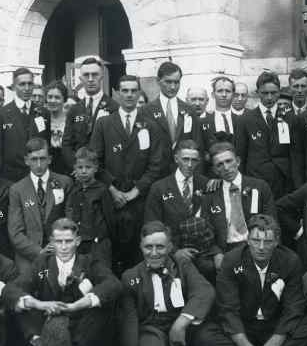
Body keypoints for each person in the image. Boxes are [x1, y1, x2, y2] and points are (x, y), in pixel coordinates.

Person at [194, 215, 307, 346]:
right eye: (256, 240)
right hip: (244, 327)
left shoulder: (290, 261)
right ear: (248, 240)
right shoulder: (231, 260)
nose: (261, 247)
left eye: (268, 241)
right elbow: (228, 311)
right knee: (204, 335)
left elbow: (293, 309)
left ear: (276, 242)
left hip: (274, 328)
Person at [13, 218, 121, 346]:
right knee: (20, 306)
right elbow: (14, 288)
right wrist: (40, 304)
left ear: (77, 241)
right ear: (51, 242)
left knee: (103, 305)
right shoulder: (42, 263)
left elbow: (113, 284)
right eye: (59, 241)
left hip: (77, 325)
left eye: (68, 241)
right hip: (48, 322)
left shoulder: (89, 262)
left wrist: (76, 305)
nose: (63, 247)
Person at [119, 222, 214, 346]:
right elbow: (130, 319)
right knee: (149, 343)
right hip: (153, 329)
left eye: (160, 247)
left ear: (170, 247)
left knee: (207, 336)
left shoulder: (182, 266)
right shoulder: (130, 276)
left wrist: (181, 323)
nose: (154, 253)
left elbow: (204, 291)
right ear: (141, 247)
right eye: (148, 247)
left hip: (183, 329)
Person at [87, 75, 162, 271]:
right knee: (111, 252)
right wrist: (112, 189)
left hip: (139, 200)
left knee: (136, 252)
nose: (129, 95)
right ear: (117, 93)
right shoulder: (104, 124)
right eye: (125, 90)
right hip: (110, 199)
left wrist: (135, 192)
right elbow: (95, 161)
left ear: (139, 93)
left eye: (133, 91)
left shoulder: (150, 125)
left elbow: (156, 165)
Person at [203, 142, 274, 279]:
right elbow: (207, 230)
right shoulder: (211, 194)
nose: (226, 167)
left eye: (229, 161)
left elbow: (271, 221)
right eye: (220, 164)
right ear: (215, 170)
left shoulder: (259, 187)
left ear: (238, 161)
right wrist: (216, 252)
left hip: (255, 245)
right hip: (226, 249)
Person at [7, 138, 72, 266]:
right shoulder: (17, 190)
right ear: (26, 161)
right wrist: (39, 252)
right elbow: (15, 233)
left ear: (49, 159)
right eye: (34, 159)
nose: (38, 164)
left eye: (42, 159)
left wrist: (58, 245)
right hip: (29, 255)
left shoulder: (65, 183)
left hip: (61, 250)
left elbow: (71, 221)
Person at [235, 72, 295, 198]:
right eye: (265, 93)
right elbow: (240, 155)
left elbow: (294, 153)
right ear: (258, 92)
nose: (269, 97)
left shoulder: (290, 118)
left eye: (273, 93)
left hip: (282, 181)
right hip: (256, 180)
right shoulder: (245, 120)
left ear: (279, 92)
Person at [0, 67, 48, 182]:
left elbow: (46, 143)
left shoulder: (43, 113)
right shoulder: (1, 115)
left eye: (30, 84)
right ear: (13, 87)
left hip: (38, 174)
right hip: (11, 177)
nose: (27, 88)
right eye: (22, 84)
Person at [144, 139, 209, 239]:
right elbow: (152, 225)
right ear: (176, 159)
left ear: (199, 161)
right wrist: (174, 251)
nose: (190, 165)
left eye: (194, 160)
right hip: (171, 247)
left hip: (202, 245)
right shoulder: (159, 187)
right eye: (185, 159)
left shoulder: (205, 183)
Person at [65, 148, 115, 265]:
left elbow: (110, 219)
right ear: (74, 169)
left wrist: (103, 238)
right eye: (80, 167)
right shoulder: (74, 191)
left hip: (98, 244)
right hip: (78, 243)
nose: (83, 171)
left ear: (95, 168)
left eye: (88, 167)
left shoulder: (102, 190)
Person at [141, 62, 192, 165]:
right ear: (158, 81)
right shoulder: (146, 111)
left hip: (184, 169)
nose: (173, 87)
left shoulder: (189, 110)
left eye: (176, 82)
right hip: (157, 172)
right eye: (168, 82)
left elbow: (197, 144)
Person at [41, 82, 72, 175]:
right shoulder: (41, 119)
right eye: (50, 97)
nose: (53, 100)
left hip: (67, 168)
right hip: (45, 167)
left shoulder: (70, 120)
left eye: (57, 97)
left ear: (64, 99)